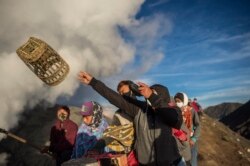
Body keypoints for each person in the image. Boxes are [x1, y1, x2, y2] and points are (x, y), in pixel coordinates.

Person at [78, 71, 183, 166]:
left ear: (162, 98)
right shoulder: (139, 110)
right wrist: (93, 82)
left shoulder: (174, 111)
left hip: (171, 163)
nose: (148, 96)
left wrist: (152, 96)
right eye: (149, 94)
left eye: (153, 94)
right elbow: (114, 98)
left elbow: (172, 118)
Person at [174, 93, 200, 166]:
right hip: (181, 143)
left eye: (179, 101)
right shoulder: (175, 111)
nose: (177, 103)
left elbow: (198, 125)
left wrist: (194, 138)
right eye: (175, 101)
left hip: (191, 142)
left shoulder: (191, 111)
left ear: (184, 101)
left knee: (193, 162)